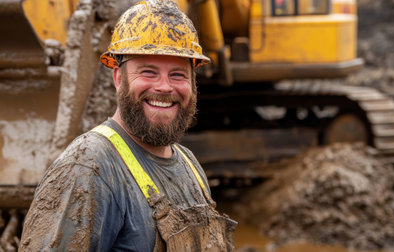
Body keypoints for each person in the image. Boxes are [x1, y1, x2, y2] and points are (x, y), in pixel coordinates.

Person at [19, 1, 237, 251]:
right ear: (118, 78)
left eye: (177, 74)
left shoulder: (190, 165)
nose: (165, 87)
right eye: (148, 72)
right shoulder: (88, 169)